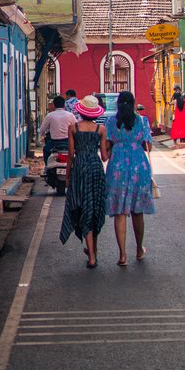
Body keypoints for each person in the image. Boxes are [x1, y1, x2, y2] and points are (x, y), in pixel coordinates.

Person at [106, 90, 155, 266]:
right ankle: (139, 249)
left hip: (117, 167)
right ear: (134, 103)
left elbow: (107, 146)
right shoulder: (142, 121)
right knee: (137, 211)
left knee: (119, 212)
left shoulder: (111, 122)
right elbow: (148, 145)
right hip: (138, 168)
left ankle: (122, 255)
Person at [60, 95, 108, 268]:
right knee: (94, 209)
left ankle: (92, 257)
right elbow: (104, 157)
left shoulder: (73, 128)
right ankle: (93, 251)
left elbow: (71, 155)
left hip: (80, 168)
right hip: (95, 168)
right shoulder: (101, 130)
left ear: (81, 111)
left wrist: (67, 177)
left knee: (83, 208)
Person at [38, 95, 76, 165]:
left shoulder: (50, 115)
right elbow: (76, 128)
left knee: (46, 150)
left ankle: (47, 167)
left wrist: (42, 134)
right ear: (64, 105)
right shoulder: (70, 115)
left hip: (54, 143)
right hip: (68, 142)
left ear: (54, 105)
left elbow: (42, 130)